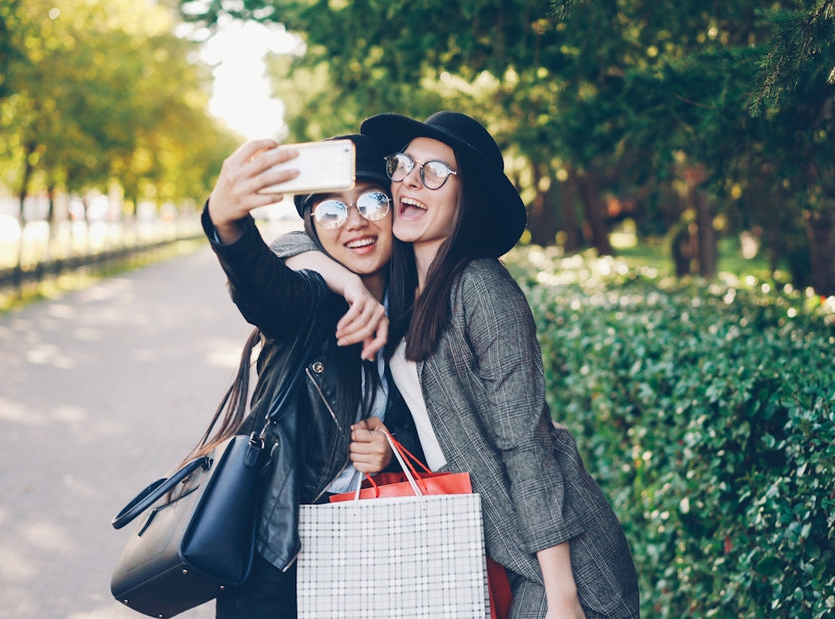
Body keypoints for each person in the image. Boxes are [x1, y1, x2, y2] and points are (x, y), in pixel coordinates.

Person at [276, 112, 641, 618]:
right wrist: (349, 284)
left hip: (557, 562)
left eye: (433, 172)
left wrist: (561, 595)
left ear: (466, 198)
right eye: (404, 166)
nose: (408, 180)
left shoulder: (480, 286)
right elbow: (290, 246)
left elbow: (527, 445)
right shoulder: (408, 288)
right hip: (488, 545)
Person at [196, 133, 424, 618]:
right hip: (279, 552)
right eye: (332, 211)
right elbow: (263, 286)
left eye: (372, 201)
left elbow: (449, 424)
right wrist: (226, 220)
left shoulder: (424, 305)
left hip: (383, 549)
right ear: (313, 227)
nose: (356, 222)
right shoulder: (308, 304)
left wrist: (394, 445)